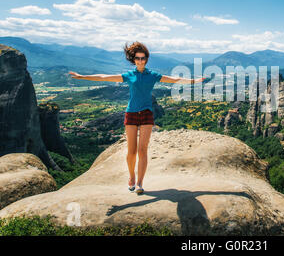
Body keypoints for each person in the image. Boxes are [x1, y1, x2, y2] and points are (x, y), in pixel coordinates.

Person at [69, 41, 205, 195]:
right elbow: (105, 77)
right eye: (138, 58)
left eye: (143, 58)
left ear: (146, 59)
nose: (140, 61)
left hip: (146, 114)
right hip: (131, 114)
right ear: (133, 60)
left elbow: (174, 80)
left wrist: (193, 81)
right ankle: (131, 177)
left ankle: (140, 183)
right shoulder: (129, 75)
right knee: (131, 151)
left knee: (143, 150)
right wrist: (82, 76)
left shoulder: (153, 75)